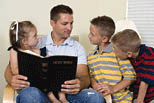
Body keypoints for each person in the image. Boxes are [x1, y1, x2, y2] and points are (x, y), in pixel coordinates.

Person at [5, 4, 105, 103]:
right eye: (65, 24)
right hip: (39, 94)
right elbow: (11, 68)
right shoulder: (34, 42)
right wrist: (11, 79)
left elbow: (84, 77)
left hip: (69, 94)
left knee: (95, 97)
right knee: (29, 94)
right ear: (52, 23)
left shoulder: (77, 47)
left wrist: (80, 84)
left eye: (71, 23)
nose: (70, 28)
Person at [8, 20, 70, 103]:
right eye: (34, 36)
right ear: (24, 41)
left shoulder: (40, 51)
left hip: (45, 80)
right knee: (43, 84)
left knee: (58, 76)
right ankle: (54, 100)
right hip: (30, 83)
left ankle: (62, 98)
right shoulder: (14, 51)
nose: (38, 37)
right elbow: (14, 70)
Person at [87, 16, 136, 102]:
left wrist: (112, 89)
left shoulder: (118, 52)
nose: (89, 36)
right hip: (102, 98)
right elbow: (92, 76)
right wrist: (95, 85)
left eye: (92, 34)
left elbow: (130, 77)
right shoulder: (91, 56)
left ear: (104, 38)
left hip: (122, 99)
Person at [111, 29, 154, 103]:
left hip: (150, 95)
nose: (113, 52)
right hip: (135, 95)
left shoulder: (148, 54)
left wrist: (139, 100)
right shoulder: (129, 57)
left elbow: (145, 81)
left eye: (116, 51)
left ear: (129, 54)